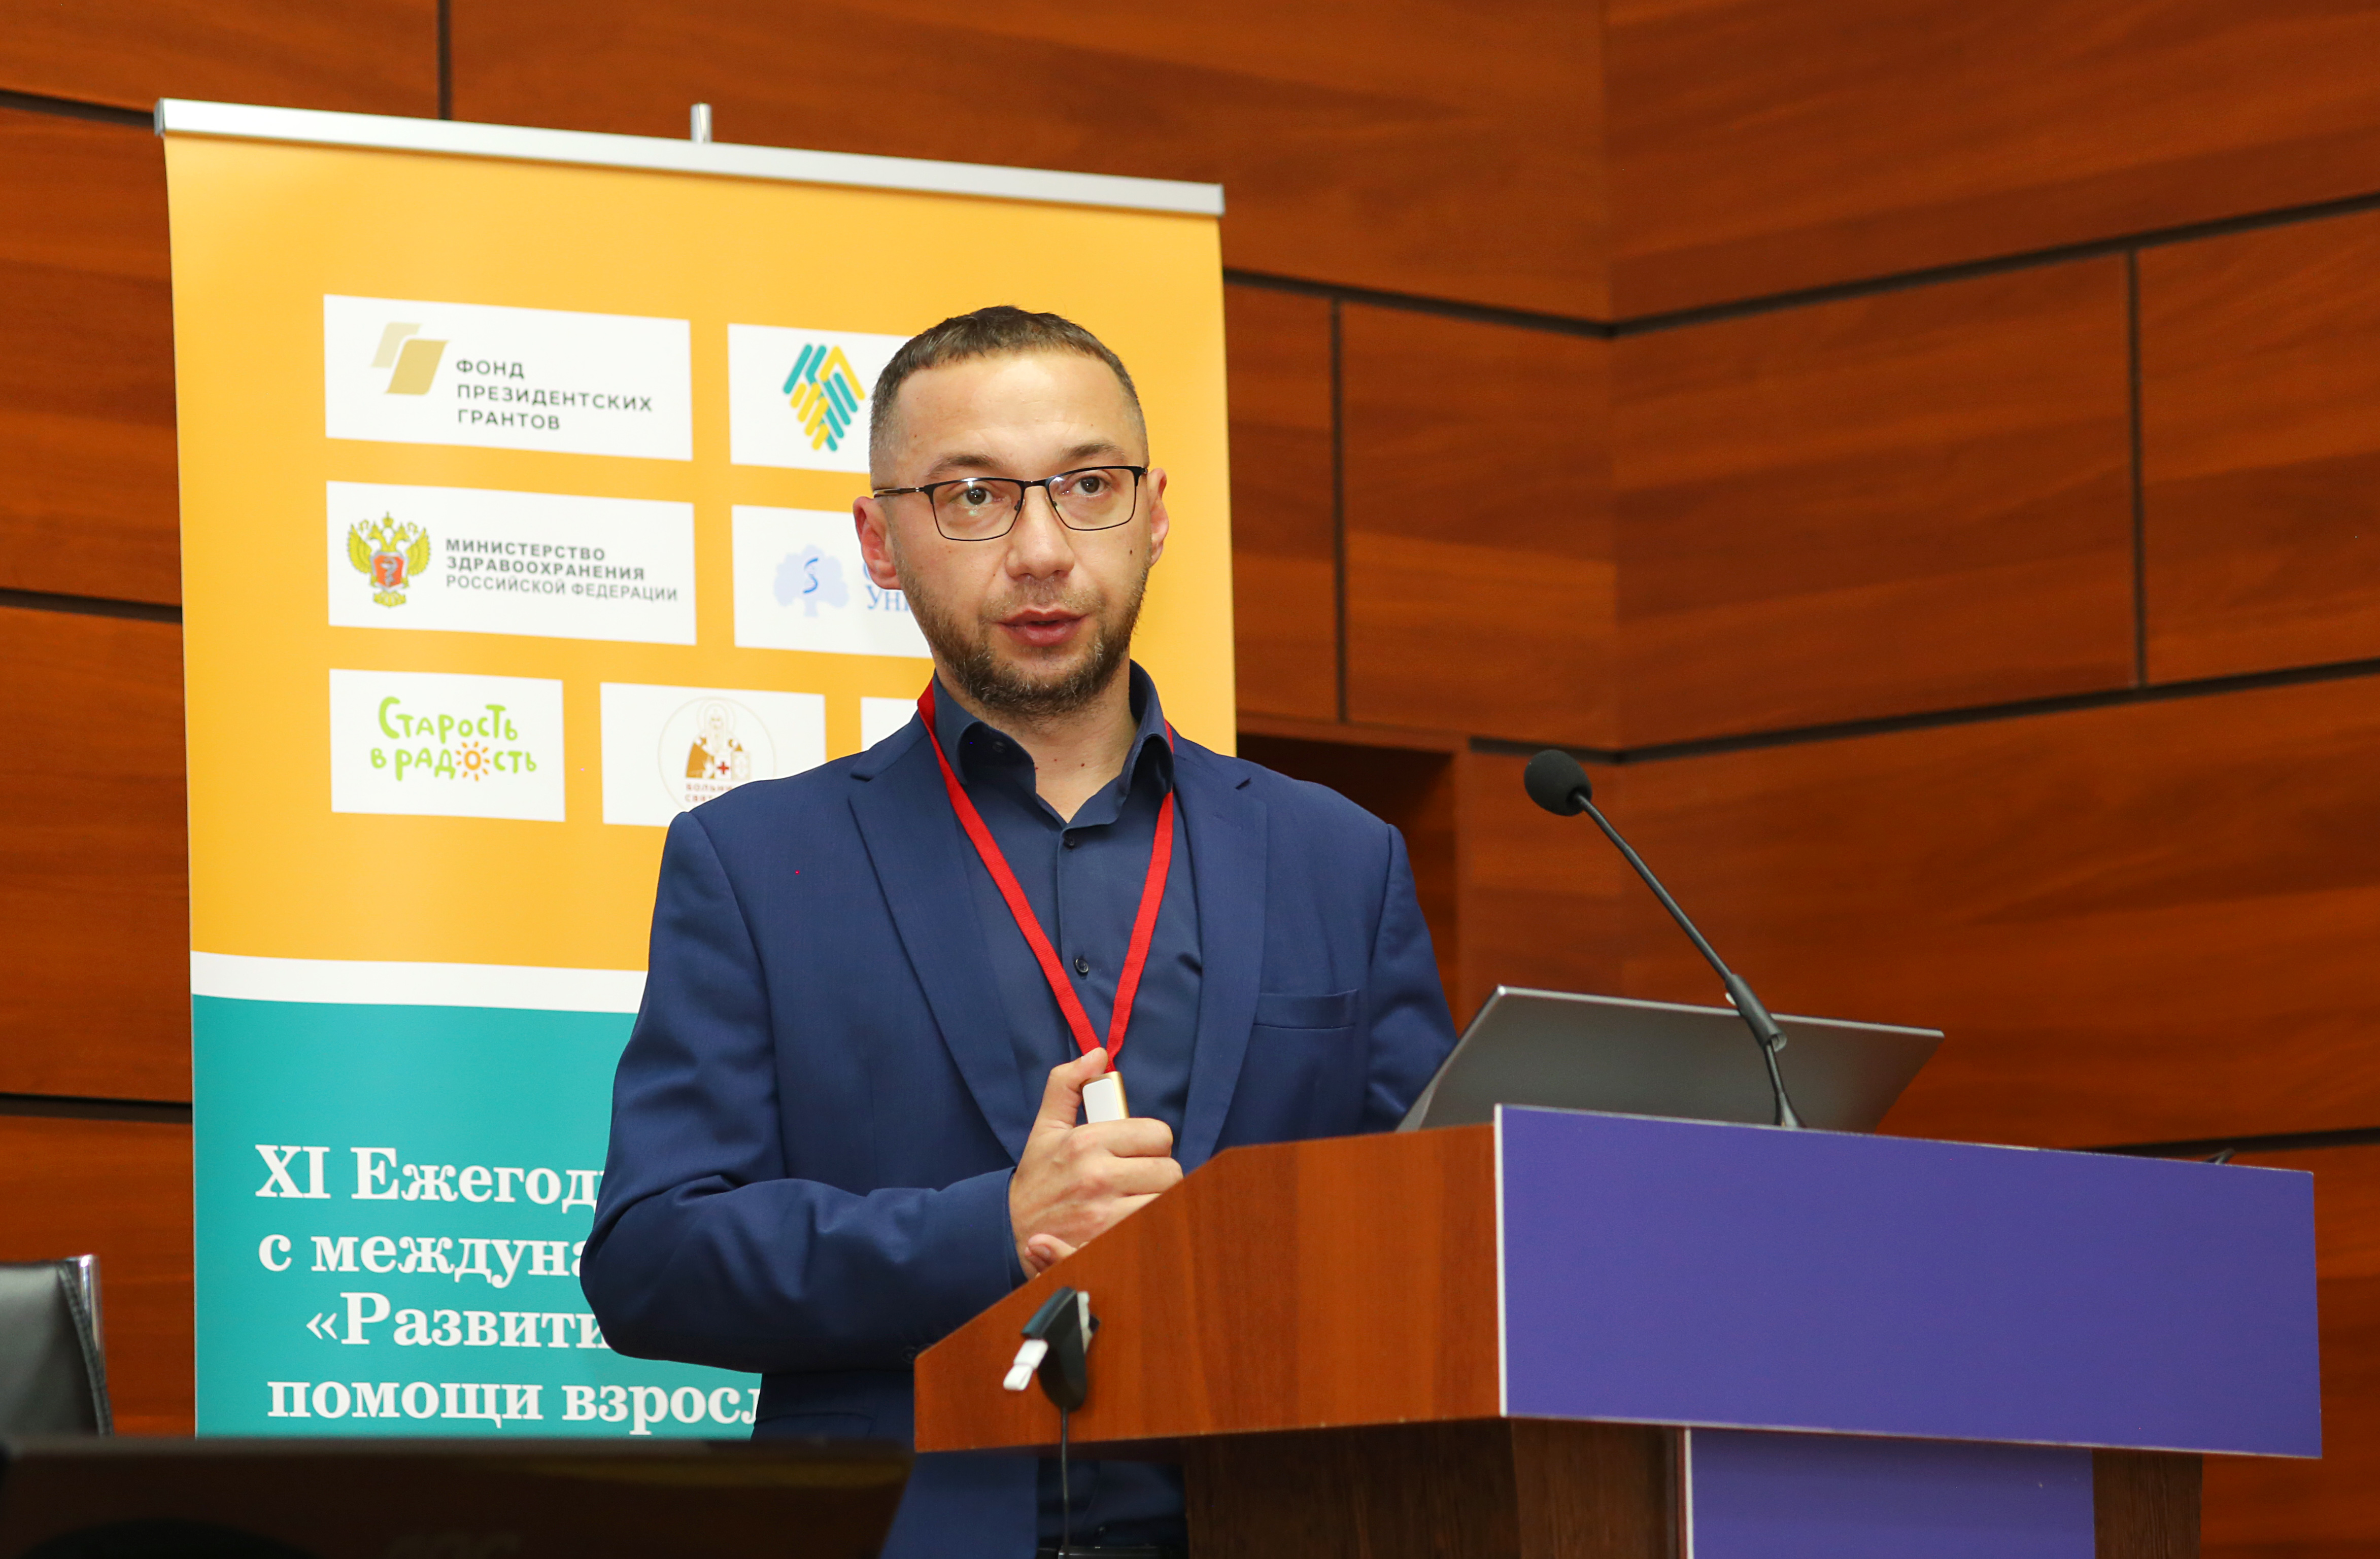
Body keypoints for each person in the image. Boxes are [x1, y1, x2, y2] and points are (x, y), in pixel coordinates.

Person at [583, 305, 1457, 1558]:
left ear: (1153, 512)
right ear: (879, 542)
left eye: (1087, 487)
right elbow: (651, 1260)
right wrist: (990, 1228)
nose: (1041, 551)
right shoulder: (757, 864)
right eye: (973, 498)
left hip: (1276, 1518)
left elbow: (1427, 1236)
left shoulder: (1338, 859)